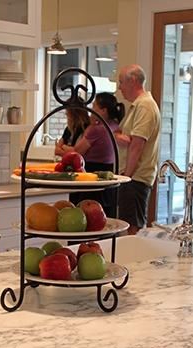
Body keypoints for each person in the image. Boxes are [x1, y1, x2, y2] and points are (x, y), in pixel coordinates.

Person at [59, 92, 126, 216]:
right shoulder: (114, 125)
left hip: (91, 176)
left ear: (103, 110)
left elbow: (77, 152)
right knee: (105, 217)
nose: (91, 109)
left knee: (85, 216)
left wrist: (62, 147)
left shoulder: (96, 129)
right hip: (108, 174)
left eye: (94, 106)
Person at [114, 65, 162, 234]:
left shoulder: (145, 106)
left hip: (135, 177)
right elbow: (119, 132)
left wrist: (126, 177)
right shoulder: (137, 106)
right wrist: (121, 136)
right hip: (132, 177)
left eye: (121, 82)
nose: (119, 87)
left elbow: (137, 144)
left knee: (132, 229)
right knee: (127, 225)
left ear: (132, 81)